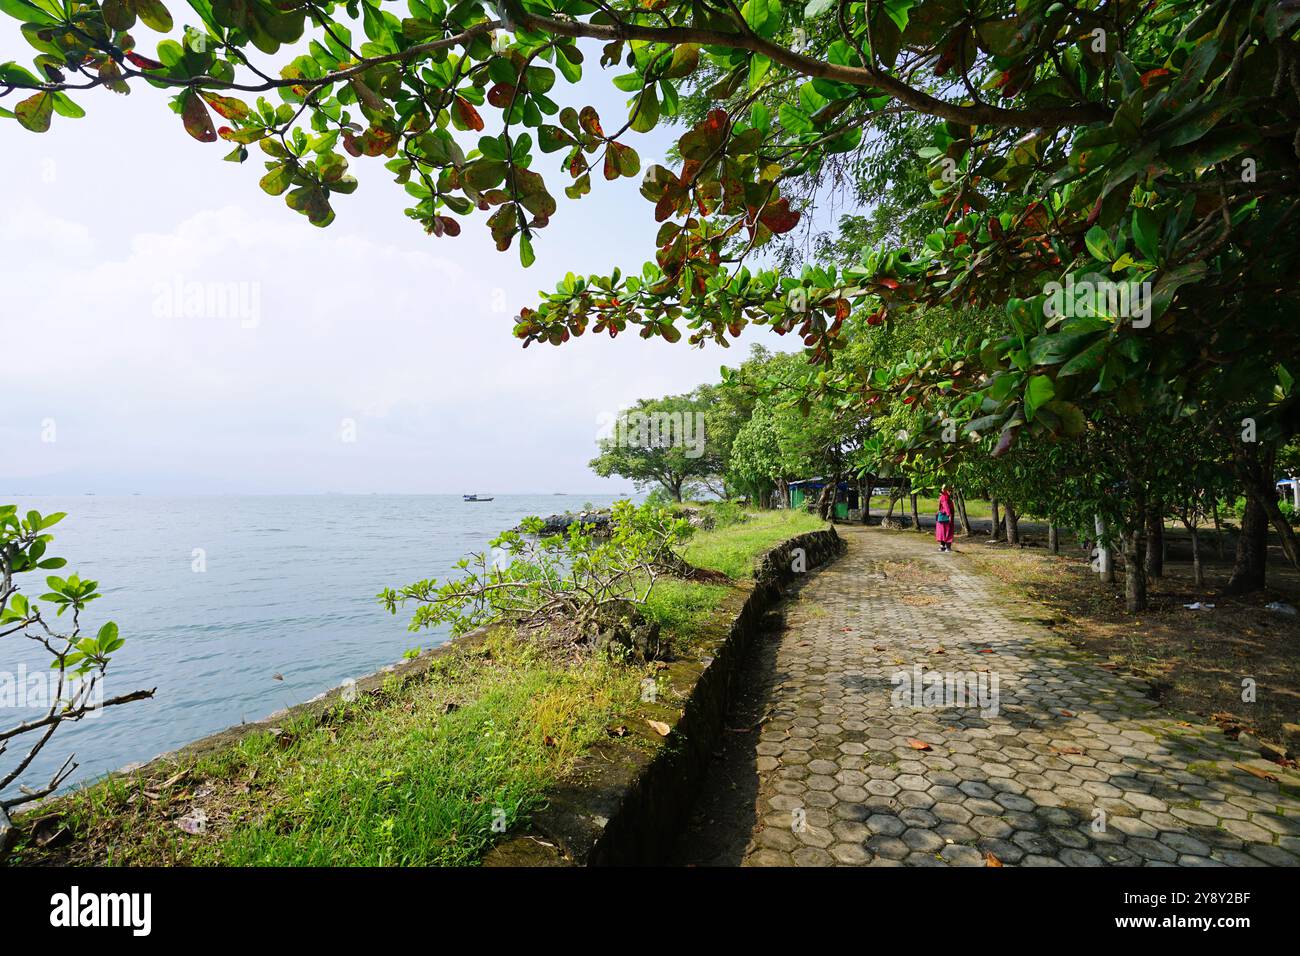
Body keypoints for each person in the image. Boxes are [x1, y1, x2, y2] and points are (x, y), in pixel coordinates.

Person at [936, 486, 955, 552]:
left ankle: (942, 547)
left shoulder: (944, 496)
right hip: (945, 517)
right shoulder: (944, 497)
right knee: (948, 532)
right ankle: (948, 548)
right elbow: (946, 506)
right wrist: (949, 515)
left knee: (942, 532)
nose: (951, 492)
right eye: (949, 490)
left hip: (942, 517)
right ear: (945, 490)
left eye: (951, 490)